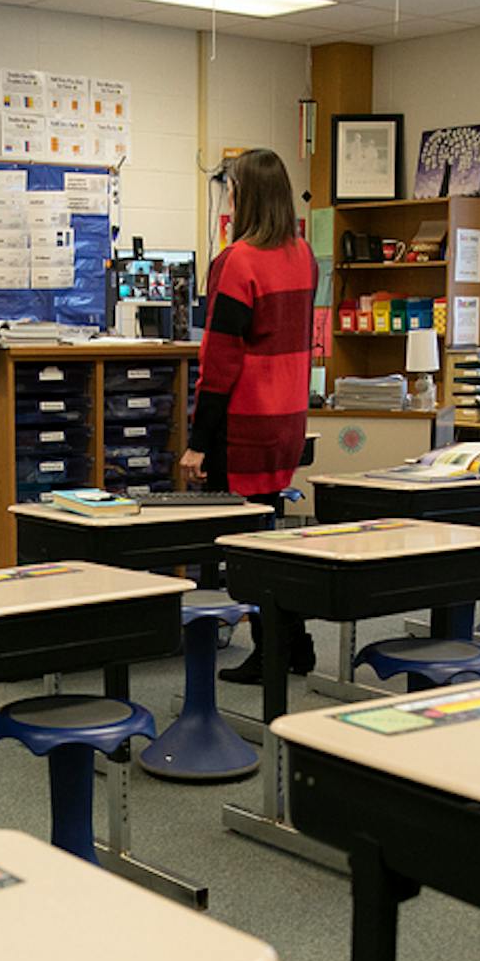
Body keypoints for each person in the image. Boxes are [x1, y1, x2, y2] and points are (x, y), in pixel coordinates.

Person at [180, 148, 318, 682]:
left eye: (232, 189)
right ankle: (295, 643)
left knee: (245, 548)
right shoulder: (302, 254)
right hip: (287, 420)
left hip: (243, 425)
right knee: (272, 536)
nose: (229, 198)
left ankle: (271, 652)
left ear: (245, 197)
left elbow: (220, 361)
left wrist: (197, 440)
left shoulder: (236, 262)